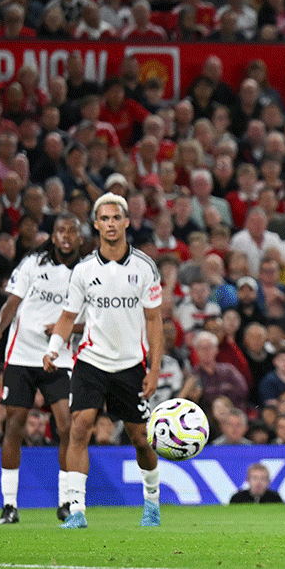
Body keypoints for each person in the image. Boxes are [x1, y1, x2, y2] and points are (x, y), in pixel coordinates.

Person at [43, 193, 164, 529]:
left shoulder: (144, 267)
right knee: (79, 426)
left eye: (116, 218)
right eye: (104, 219)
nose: (111, 224)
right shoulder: (83, 270)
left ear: (126, 222)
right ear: (96, 225)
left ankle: (152, 503)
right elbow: (68, 316)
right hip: (91, 361)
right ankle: (76, 510)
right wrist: (54, 348)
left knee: (141, 438)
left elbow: (154, 322)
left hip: (130, 365)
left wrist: (154, 369)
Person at [0, 213, 83, 525]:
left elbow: (91, 321)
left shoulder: (87, 272)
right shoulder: (32, 263)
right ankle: (9, 505)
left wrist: (65, 328)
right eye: (60, 230)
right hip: (23, 355)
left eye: (72, 231)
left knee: (67, 425)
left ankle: (65, 501)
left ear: (79, 238)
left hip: (60, 357)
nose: (66, 236)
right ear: (53, 236)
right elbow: (12, 302)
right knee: (14, 424)